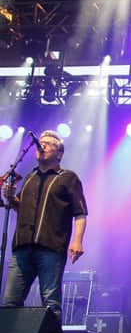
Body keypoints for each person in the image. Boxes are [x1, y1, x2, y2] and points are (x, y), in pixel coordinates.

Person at [2, 130, 88, 322]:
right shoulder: (30, 177)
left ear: (59, 154)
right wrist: (11, 198)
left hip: (51, 248)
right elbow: (20, 208)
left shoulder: (68, 177)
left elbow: (80, 212)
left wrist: (77, 241)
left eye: (49, 144)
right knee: (10, 302)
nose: (43, 146)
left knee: (50, 303)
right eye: (41, 143)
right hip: (22, 247)